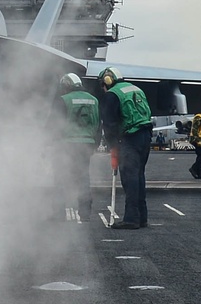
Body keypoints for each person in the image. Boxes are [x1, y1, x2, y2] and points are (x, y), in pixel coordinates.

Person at [98, 67, 153, 230]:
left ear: (108, 80)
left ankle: (131, 219)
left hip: (131, 137)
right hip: (145, 135)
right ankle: (142, 217)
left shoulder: (112, 94)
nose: (103, 88)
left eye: (103, 85)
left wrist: (112, 146)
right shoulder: (136, 89)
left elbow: (109, 124)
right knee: (139, 176)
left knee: (130, 178)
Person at [56, 73, 100, 219]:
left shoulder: (63, 100)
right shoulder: (93, 100)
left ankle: (59, 212)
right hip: (87, 144)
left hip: (68, 144)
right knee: (83, 176)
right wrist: (95, 143)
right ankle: (85, 212)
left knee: (61, 176)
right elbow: (97, 123)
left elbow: (55, 123)